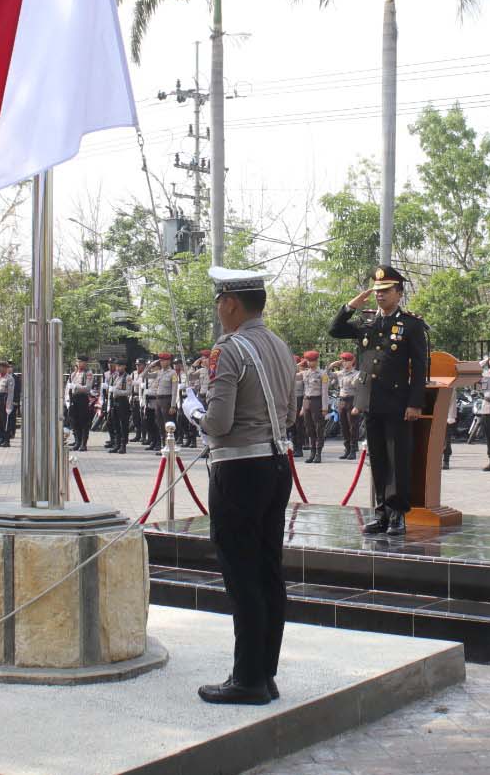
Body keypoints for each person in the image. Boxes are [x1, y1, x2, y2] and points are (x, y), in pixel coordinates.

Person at [188, 267, 294, 706]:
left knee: (241, 574)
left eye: (219, 302)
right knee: (269, 572)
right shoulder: (280, 346)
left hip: (239, 469)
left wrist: (193, 411)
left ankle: (247, 679)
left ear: (230, 302)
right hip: (277, 464)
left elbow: (219, 422)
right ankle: (265, 673)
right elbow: (287, 415)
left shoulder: (228, 349)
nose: (218, 310)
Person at [328, 266, 430, 536]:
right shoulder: (368, 322)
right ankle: (381, 513)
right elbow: (335, 330)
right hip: (369, 400)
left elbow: (420, 367)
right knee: (378, 458)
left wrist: (415, 402)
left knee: (398, 458)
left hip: (398, 401)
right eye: (376, 292)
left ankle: (398, 514)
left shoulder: (411, 324)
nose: (379, 296)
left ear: (399, 292)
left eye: (385, 291)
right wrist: (350, 306)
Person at [297, 351, 330, 463]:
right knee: (309, 428)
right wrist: (302, 408)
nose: (308, 363)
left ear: (316, 361)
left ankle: (318, 453)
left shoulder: (323, 374)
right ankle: (312, 452)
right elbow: (291, 374)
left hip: (317, 402)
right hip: (306, 401)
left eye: (310, 360)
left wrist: (325, 407)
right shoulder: (305, 373)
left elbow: (325, 392)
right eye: (307, 360)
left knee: (318, 428)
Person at [145, 354, 177, 451]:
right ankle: (163, 445)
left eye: (164, 360)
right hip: (158, 400)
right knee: (159, 423)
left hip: (167, 400)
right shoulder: (159, 372)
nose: (162, 362)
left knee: (167, 424)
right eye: (161, 361)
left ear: (169, 361)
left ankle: (169, 446)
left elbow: (174, 390)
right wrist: (150, 366)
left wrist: (173, 405)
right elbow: (145, 375)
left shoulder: (173, 373)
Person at [333, 352, 363, 459]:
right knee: (343, 426)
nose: (344, 363)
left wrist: (358, 406)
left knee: (353, 427)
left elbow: (359, 390)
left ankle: (353, 450)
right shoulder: (339, 373)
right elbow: (325, 376)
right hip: (341, 401)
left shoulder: (357, 374)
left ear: (352, 361)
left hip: (352, 400)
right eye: (343, 361)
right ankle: (347, 449)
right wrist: (332, 365)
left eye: (347, 361)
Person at [66, 357, 93, 451]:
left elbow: (88, 387)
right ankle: (77, 442)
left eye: (80, 361)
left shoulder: (88, 373)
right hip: (74, 399)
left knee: (83, 422)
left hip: (82, 398)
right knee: (74, 421)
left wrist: (75, 386)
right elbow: (68, 387)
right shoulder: (73, 374)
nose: (78, 363)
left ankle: (83, 443)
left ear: (85, 363)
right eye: (78, 361)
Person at [103, 360, 130, 454]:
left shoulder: (127, 377)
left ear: (124, 366)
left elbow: (128, 392)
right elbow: (109, 388)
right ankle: (116, 444)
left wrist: (116, 391)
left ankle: (123, 446)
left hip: (123, 402)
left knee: (123, 425)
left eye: (120, 366)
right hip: (114, 401)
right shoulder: (114, 376)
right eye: (117, 366)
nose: (119, 368)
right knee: (115, 424)